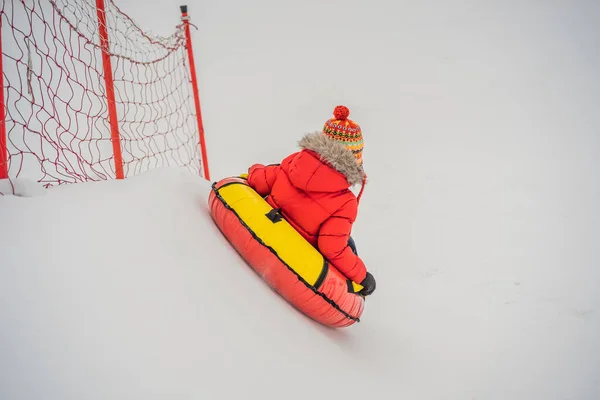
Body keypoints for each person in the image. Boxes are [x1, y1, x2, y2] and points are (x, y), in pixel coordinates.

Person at [245, 105, 376, 296]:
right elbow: (332, 248)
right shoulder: (345, 202)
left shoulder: (294, 161)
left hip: (265, 228)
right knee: (349, 242)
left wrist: (254, 169)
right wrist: (363, 277)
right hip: (297, 259)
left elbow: (259, 181)